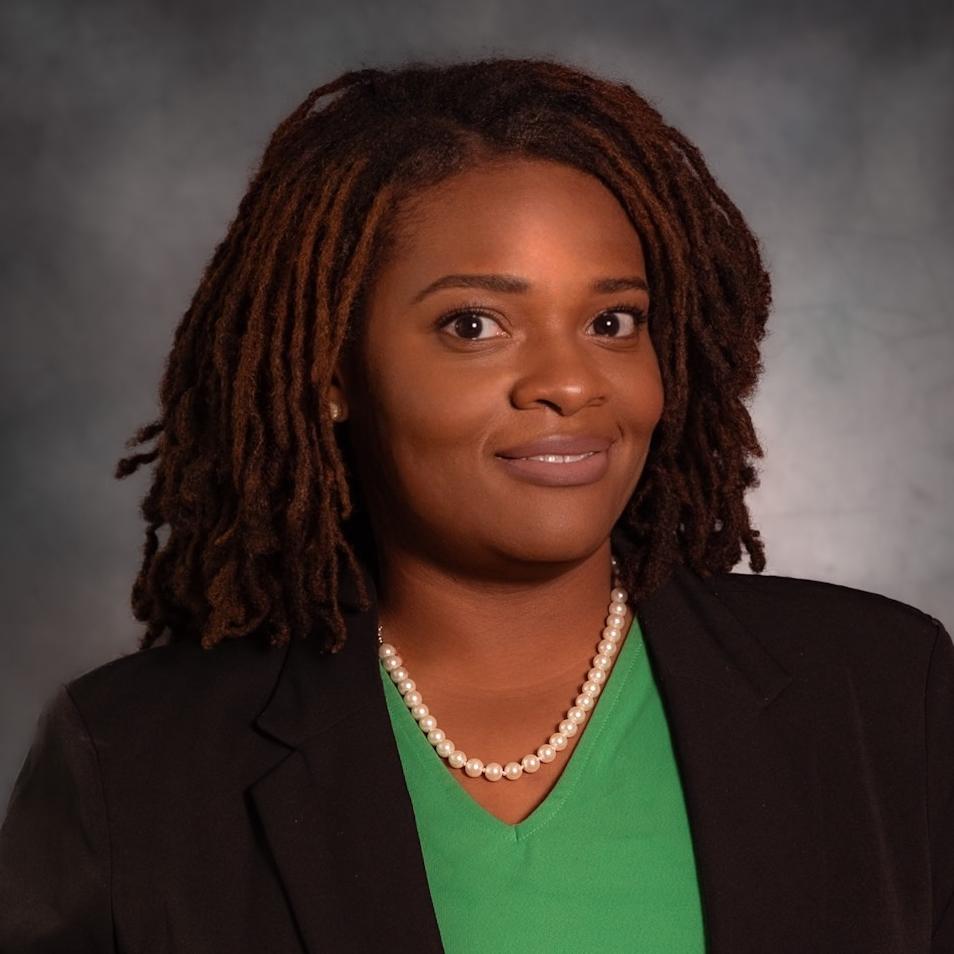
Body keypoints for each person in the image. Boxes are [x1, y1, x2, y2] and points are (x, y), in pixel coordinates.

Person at [0, 56, 951, 954]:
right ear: (332, 371)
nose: (570, 383)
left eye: (612, 322)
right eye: (474, 325)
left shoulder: (882, 692)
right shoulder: (136, 759)